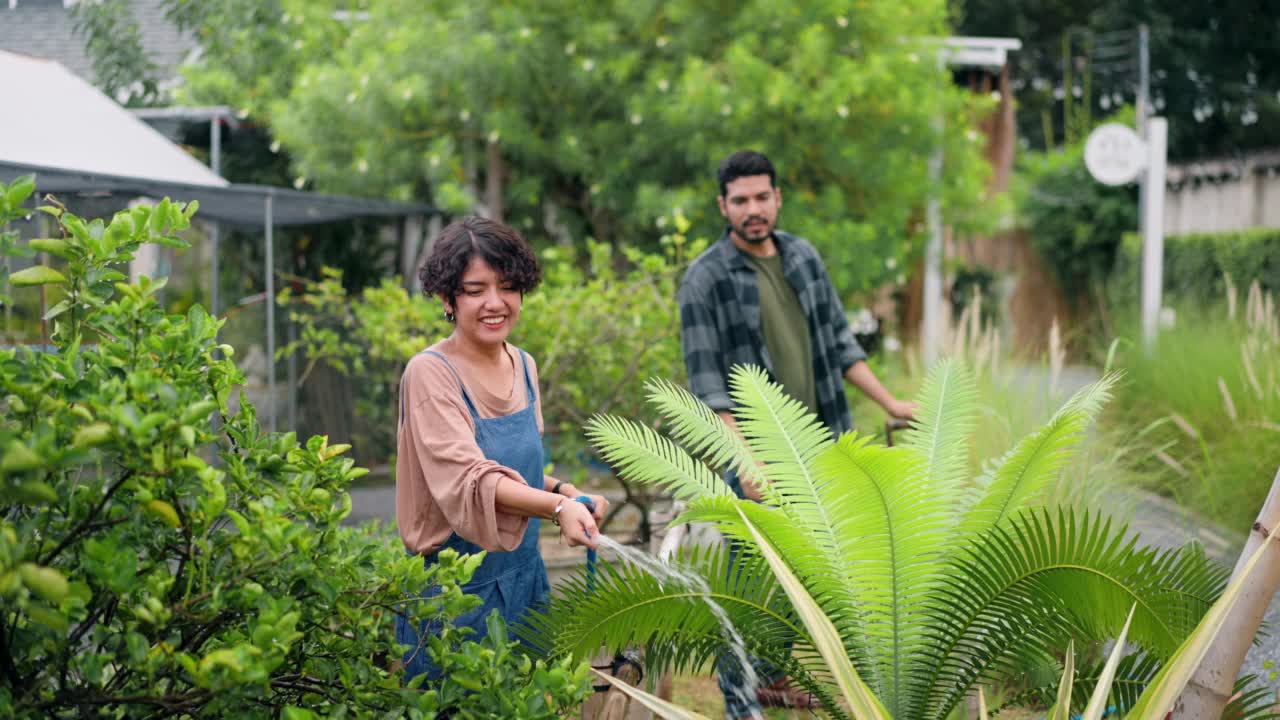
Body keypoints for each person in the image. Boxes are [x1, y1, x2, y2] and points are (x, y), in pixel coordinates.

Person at [678, 150, 916, 718]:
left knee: (807, 576)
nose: (753, 209)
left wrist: (888, 401)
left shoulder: (803, 256)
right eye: (741, 200)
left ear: (778, 198)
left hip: (823, 448)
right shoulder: (704, 279)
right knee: (749, 586)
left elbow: (839, 343)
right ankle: (740, 702)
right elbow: (709, 384)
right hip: (754, 461)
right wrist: (745, 462)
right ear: (723, 206)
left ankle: (772, 678)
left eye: (763, 197)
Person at [394, 216, 608, 685]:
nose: (496, 303)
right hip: (457, 592)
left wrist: (569, 493)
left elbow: (516, 470)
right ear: (448, 299)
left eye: (508, 286)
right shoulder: (431, 374)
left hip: (526, 579)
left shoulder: (524, 364)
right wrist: (557, 508)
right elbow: (473, 480)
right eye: (475, 289)